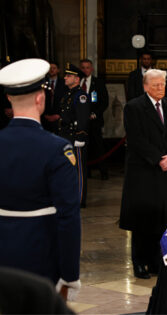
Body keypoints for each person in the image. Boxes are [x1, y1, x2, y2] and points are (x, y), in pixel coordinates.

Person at [0, 58, 81, 300]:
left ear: (9, 99)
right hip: (41, 254)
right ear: (40, 99)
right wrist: (69, 275)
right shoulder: (57, 149)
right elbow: (68, 216)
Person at [119, 69, 167, 279]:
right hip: (144, 172)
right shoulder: (134, 107)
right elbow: (136, 139)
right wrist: (158, 158)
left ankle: (158, 261)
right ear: (145, 86)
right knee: (143, 220)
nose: (160, 88)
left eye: (162, 84)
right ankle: (140, 263)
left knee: (165, 218)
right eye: (155, 84)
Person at [58, 63, 90, 207]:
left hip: (74, 136)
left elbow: (83, 117)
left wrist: (80, 136)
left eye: (68, 75)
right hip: (65, 136)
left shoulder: (81, 96)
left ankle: (79, 199)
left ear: (77, 79)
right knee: (67, 169)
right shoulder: (67, 95)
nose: (65, 78)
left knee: (78, 170)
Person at [80, 58, 109, 180]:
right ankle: (86, 172)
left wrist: (95, 114)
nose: (85, 70)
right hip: (80, 122)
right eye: (83, 67)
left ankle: (103, 172)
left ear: (92, 69)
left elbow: (104, 102)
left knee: (98, 147)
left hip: (94, 121)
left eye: (88, 67)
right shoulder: (78, 82)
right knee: (84, 147)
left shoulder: (98, 83)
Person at [42, 61, 66, 134]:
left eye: (54, 68)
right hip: (44, 118)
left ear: (58, 70)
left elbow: (66, 101)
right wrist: (45, 115)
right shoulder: (42, 83)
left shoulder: (64, 83)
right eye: (50, 68)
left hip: (59, 118)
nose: (52, 70)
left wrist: (59, 115)